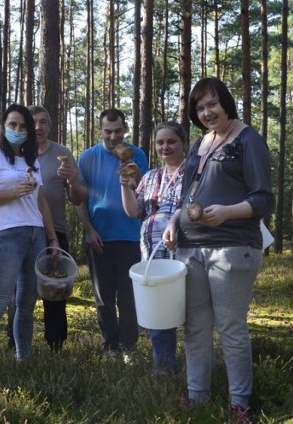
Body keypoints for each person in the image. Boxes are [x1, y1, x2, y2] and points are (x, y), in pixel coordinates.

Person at [162, 77, 273, 422]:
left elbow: (263, 199)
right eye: (200, 107)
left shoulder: (248, 139)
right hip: (189, 247)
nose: (207, 112)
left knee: (230, 327)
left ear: (226, 103)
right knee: (195, 328)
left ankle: (240, 406)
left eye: (212, 104)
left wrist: (226, 212)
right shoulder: (199, 143)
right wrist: (174, 220)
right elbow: (187, 195)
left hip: (233, 247)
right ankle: (198, 399)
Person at [0, 104, 59, 375]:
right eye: (13, 125)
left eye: (23, 127)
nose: (18, 131)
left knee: (27, 304)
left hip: (36, 235)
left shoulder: (30, 161)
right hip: (6, 235)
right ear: (4, 126)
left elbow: (41, 202)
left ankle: (24, 362)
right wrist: (11, 193)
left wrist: (52, 238)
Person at [77, 108, 149, 360]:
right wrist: (89, 230)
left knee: (128, 296)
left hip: (130, 236)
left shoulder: (136, 154)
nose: (113, 136)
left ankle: (129, 347)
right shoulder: (87, 158)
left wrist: (130, 172)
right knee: (103, 296)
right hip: (99, 236)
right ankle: (111, 347)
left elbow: (143, 191)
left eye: (118, 131)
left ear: (125, 129)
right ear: (100, 131)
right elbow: (79, 201)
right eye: (108, 131)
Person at [120, 121, 186, 374]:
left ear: (183, 143)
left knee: (190, 309)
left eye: (171, 141)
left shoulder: (193, 172)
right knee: (159, 313)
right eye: (160, 142)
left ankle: (195, 372)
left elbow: (192, 204)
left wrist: (174, 221)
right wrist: (124, 186)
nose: (165, 147)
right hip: (153, 255)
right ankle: (164, 371)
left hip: (184, 251)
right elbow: (134, 211)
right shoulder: (149, 177)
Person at [27, 105, 85, 352]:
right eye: (33, 123)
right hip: (24, 229)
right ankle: (18, 346)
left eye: (43, 122)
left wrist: (72, 180)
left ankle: (56, 347)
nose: (38, 127)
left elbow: (77, 198)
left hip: (56, 231)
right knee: (22, 291)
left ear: (50, 126)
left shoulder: (62, 152)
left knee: (56, 292)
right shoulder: (18, 154)